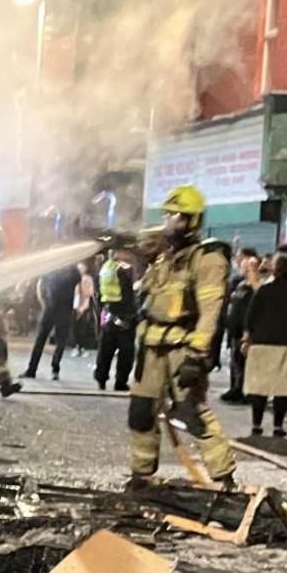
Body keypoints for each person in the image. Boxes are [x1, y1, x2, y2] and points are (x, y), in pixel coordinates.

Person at [126, 185, 236, 486]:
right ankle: (141, 474)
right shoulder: (164, 256)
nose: (170, 222)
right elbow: (140, 241)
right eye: (167, 215)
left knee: (192, 413)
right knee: (140, 413)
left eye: (177, 216)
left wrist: (198, 355)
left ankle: (224, 479)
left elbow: (211, 310)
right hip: (150, 349)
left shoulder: (207, 259)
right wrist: (110, 238)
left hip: (181, 349)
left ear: (194, 221)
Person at [242, 252, 287, 437]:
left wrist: (246, 339)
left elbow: (251, 317)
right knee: (283, 387)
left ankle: (256, 424)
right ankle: (278, 426)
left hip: (262, 342)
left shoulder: (265, 289)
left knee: (259, 385)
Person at [23, 259, 82, 380]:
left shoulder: (53, 269)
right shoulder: (71, 271)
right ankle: (52, 369)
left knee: (43, 340)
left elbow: (40, 287)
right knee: (58, 341)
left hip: (52, 309)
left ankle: (33, 370)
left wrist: (43, 303)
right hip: (62, 310)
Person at [220, 247, 260, 403]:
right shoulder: (240, 283)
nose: (240, 264)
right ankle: (235, 387)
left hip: (246, 328)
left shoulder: (256, 284)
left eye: (246, 263)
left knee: (245, 362)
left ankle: (246, 391)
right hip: (234, 328)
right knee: (235, 360)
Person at [93, 245, 135, 391]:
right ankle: (120, 382)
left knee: (105, 349)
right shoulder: (125, 269)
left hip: (107, 312)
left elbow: (98, 292)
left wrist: (102, 310)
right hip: (124, 315)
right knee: (125, 351)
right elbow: (129, 294)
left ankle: (101, 378)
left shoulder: (106, 267)